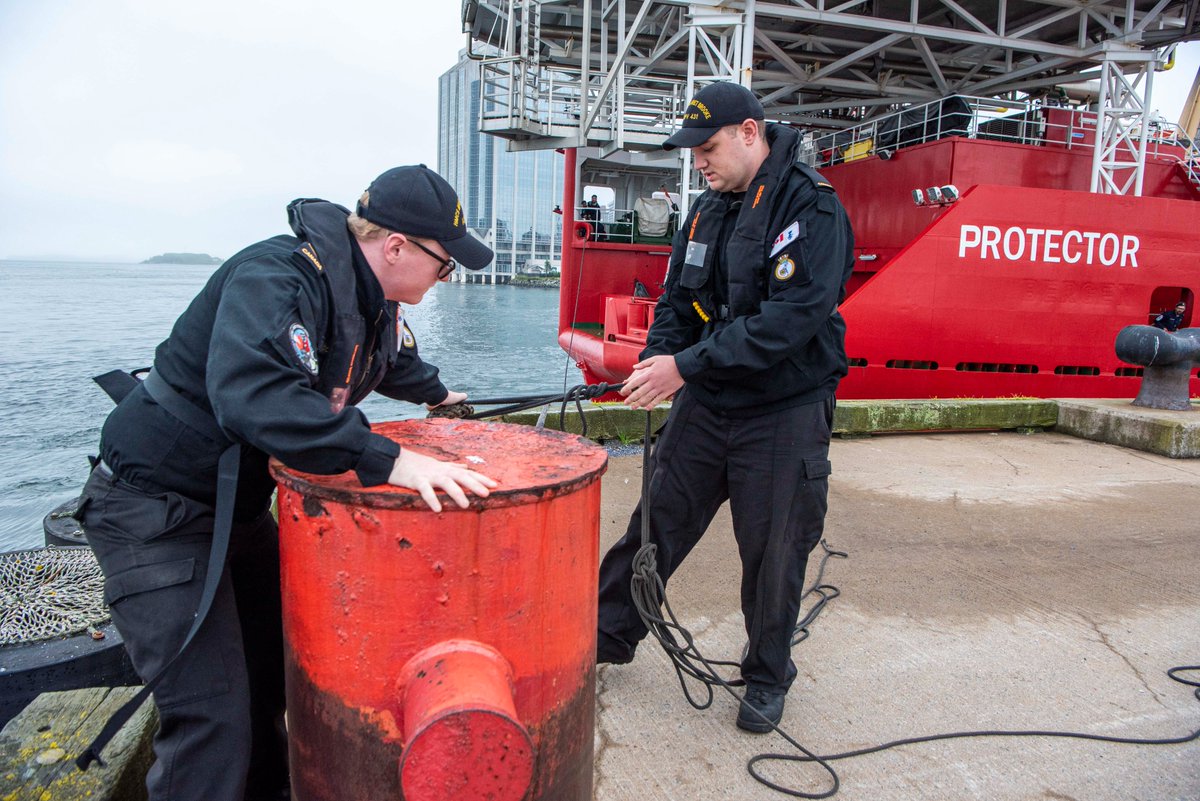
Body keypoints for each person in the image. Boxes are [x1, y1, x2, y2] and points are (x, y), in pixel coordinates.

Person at [75, 165, 498, 801]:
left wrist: (437, 393)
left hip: (236, 510)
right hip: (152, 513)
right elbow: (253, 395)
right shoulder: (276, 278)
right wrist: (389, 460)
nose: (446, 279)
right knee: (209, 717)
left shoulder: (366, 295)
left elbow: (383, 354)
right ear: (396, 247)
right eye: (445, 265)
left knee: (271, 677)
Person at [595, 82, 855, 734]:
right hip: (709, 403)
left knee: (773, 551)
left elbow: (789, 320)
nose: (700, 163)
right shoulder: (707, 211)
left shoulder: (813, 207)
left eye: (707, 148)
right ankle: (607, 633)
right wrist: (656, 364)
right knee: (654, 524)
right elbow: (678, 306)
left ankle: (767, 675)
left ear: (749, 133)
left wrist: (684, 366)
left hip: (783, 408)